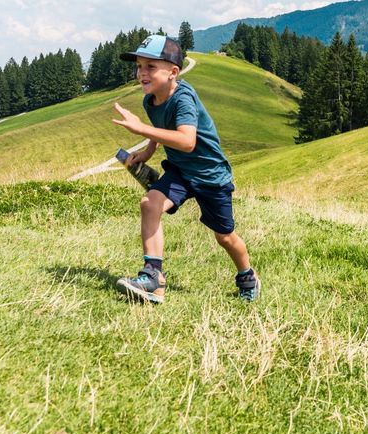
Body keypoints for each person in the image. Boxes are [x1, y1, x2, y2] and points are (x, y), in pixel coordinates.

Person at [111, 34, 260, 303]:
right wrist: (147, 151)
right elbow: (160, 129)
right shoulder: (151, 99)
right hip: (180, 171)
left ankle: (247, 275)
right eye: (139, 66)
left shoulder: (183, 99)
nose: (141, 73)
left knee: (225, 237)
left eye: (150, 67)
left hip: (210, 175)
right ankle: (153, 278)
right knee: (149, 204)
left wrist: (140, 128)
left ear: (173, 72)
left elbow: (187, 141)